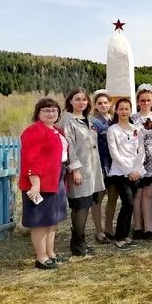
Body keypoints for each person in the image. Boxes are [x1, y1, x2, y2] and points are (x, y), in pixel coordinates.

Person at [20, 98, 68, 269]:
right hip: (40, 182)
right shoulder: (33, 131)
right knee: (40, 221)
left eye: (54, 110)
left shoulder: (56, 130)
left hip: (56, 180)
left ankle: (51, 253)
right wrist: (35, 183)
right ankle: (41, 257)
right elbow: (31, 159)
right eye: (46, 110)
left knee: (52, 219)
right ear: (38, 113)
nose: (51, 113)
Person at [60, 87, 106, 256]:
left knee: (87, 204)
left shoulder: (89, 120)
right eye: (77, 99)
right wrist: (75, 169)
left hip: (92, 170)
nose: (81, 102)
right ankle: (78, 245)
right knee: (80, 206)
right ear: (70, 101)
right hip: (79, 171)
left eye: (84, 99)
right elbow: (69, 145)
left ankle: (79, 242)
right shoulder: (68, 120)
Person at [107, 98, 145, 250]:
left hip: (135, 172)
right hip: (120, 172)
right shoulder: (113, 130)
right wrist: (128, 170)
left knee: (130, 205)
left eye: (126, 109)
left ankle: (126, 235)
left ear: (131, 110)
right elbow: (114, 153)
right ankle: (119, 237)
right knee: (127, 202)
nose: (124, 112)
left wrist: (136, 169)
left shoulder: (136, 129)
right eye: (121, 109)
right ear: (116, 111)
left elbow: (141, 150)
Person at [130, 83, 152, 240]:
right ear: (138, 101)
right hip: (137, 158)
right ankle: (137, 227)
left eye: (148, 100)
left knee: (148, 194)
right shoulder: (132, 118)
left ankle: (149, 229)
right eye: (142, 100)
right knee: (137, 194)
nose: (145, 103)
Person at [90, 90, 118, 243]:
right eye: (100, 103)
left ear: (110, 104)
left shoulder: (114, 120)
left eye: (105, 103)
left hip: (114, 165)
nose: (103, 105)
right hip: (99, 164)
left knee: (113, 197)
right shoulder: (93, 122)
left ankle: (109, 228)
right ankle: (99, 231)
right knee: (98, 199)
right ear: (95, 105)